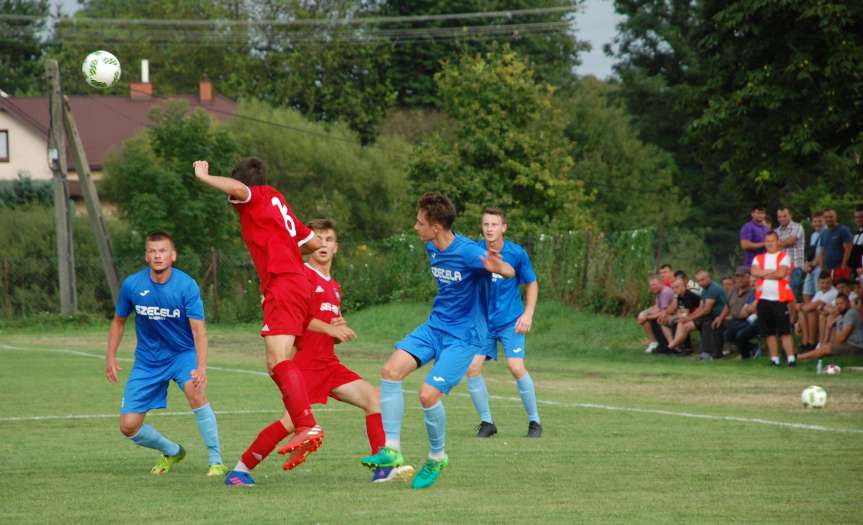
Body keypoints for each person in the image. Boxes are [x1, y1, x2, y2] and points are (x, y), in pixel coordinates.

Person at [360, 192, 515, 490]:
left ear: (436, 226)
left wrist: (501, 268)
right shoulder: (432, 246)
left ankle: (436, 457)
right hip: (435, 327)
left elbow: (507, 271)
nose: (415, 226)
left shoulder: (469, 252)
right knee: (390, 371)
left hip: (464, 337)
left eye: (420, 222)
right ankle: (391, 449)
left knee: (428, 395)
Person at [192, 158, 326, 487]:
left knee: (277, 359)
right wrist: (285, 245)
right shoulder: (277, 201)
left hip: (284, 283)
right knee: (275, 363)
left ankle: (307, 424)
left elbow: (238, 189)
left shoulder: (254, 196)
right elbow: (312, 243)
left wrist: (204, 176)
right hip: (297, 283)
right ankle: (300, 423)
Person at [105, 231, 227, 477]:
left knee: (196, 391)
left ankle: (216, 460)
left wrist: (201, 367)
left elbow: (199, 331)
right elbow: (118, 322)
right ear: (146, 256)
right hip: (148, 361)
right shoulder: (132, 285)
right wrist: (110, 356)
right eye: (152, 251)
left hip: (182, 355)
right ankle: (172, 451)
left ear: (173, 256)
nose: (157, 255)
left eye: (162, 251)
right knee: (128, 427)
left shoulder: (186, 285)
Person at [465, 208, 541, 438]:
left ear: (504, 227)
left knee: (516, 367)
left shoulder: (516, 253)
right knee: (472, 368)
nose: (489, 229)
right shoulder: (474, 251)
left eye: (494, 224)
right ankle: (488, 423)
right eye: (486, 224)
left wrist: (527, 314)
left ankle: (534, 422)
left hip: (510, 321)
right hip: (483, 323)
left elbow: (532, 284)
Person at [751, 231, 797, 367]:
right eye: (767, 241)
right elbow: (754, 272)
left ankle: (791, 359)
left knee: (785, 331)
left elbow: (781, 273)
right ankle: (774, 359)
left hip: (780, 299)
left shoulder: (784, 257)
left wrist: (762, 274)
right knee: (769, 332)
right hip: (763, 299)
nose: (770, 243)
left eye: (772, 241)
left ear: (777, 242)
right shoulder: (758, 258)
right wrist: (773, 273)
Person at [799, 294, 863, 360]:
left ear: (848, 303)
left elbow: (843, 337)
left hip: (856, 346)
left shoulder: (851, 313)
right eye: (837, 304)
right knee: (825, 347)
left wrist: (831, 345)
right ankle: (803, 358)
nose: (839, 306)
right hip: (847, 345)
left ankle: (799, 357)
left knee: (826, 348)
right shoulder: (841, 316)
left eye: (841, 303)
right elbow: (836, 334)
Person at [689, 271, 728, 361]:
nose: (700, 283)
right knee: (685, 324)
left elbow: (707, 310)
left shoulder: (714, 288)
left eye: (702, 280)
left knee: (707, 323)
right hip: (710, 315)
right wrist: (688, 317)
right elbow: (701, 307)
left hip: (719, 315)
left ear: (709, 278)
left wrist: (691, 317)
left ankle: (707, 353)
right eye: (698, 281)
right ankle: (680, 349)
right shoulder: (704, 289)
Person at [724, 268, 760, 359]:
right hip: (742, 319)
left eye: (742, 276)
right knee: (728, 334)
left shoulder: (755, 292)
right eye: (737, 276)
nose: (739, 279)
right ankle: (752, 348)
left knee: (740, 335)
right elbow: (742, 312)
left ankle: (745, 356)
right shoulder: (736, 290)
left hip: (757, 321)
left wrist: (750, 309)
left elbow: (748, 311)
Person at [638, 276, 676, 354]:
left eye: (654, 284)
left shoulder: (665, 292)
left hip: (673, 314)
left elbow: (663, 312)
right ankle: (654, 343)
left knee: (656, 320)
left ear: (661, 283)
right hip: (667, 313)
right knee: (647, 318)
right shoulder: (659, 292)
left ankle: (662, 345)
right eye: (651, 285)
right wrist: (646, 313)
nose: (652, 287)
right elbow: (658, 308)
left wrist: (646, 317)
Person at [664, 278, 702, 355]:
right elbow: (678, 310)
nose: (674, 290)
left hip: (698, 317)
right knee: (664, 321)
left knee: (680, 322)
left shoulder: (689, 295)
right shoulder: (679, 296)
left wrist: (678, 316)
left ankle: (673, 347)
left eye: (677, 287)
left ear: (683, 286)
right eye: (673, 288)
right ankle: (675, 347)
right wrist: (675, 316)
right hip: (689, 316)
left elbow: (686, 313)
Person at [814, 208, 853, 282]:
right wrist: (822, 269)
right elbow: (822, 252)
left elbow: (848, 249)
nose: (829, 219)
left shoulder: (843, 230)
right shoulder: (824, 233)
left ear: (836, 217)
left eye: (831, 216)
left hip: (840, 269)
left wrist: (843, 266)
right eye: (826, 217)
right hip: (828, 270)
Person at [776, 208, 805, 292]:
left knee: (791, 292)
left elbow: (790, 241)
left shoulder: (798, 226)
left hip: (795, 267)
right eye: (779, 217)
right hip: (781, 268)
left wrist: (777, 243)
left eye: (784, 216)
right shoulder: (777, 230)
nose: (782, 219)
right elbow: (773, 246)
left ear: (790, 215)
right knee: (781, 293)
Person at [802, 211, 825, 303]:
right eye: (815, 221)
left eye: (820, 221)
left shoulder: (826, 233)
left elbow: (823, 253)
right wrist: (807, 264)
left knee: (818, 293)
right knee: (806, 293)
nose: (817, 224)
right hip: (811, 268)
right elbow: (811, 252)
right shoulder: (813, 235)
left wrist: (812, 265)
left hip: (820, 267)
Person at [851, 205, 863, 279]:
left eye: (861, 217)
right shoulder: (855, 235)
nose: (858, 219)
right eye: (856, 217)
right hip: (856, 274)